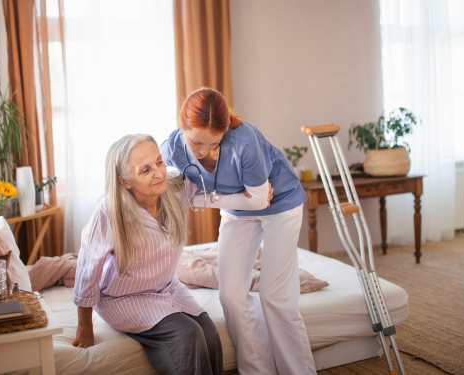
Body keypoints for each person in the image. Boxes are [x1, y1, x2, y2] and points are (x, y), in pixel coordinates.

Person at [160, 87, 317, 374]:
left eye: (213, 143)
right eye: (196, 142)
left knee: (275, 297)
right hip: (237, 212)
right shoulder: (171, 148)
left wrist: (204, 199)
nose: (203, 151)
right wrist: (213, 199)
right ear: (182, 124)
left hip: (281, 205)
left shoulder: (245, 140)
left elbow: (259, 200)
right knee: (230, 294)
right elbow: (175, 193)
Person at [72, 134, 226, 375]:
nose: (158, 173)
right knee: (189, 334)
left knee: (211, 333)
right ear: (124, 181)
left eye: (159, 162)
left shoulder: (174, 187)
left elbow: (213, 178)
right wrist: (84, 325)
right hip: (123, 298)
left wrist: (255, 190)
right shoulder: (110, 212)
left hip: (166, 288)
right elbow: (88, 267)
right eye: (145, 170)